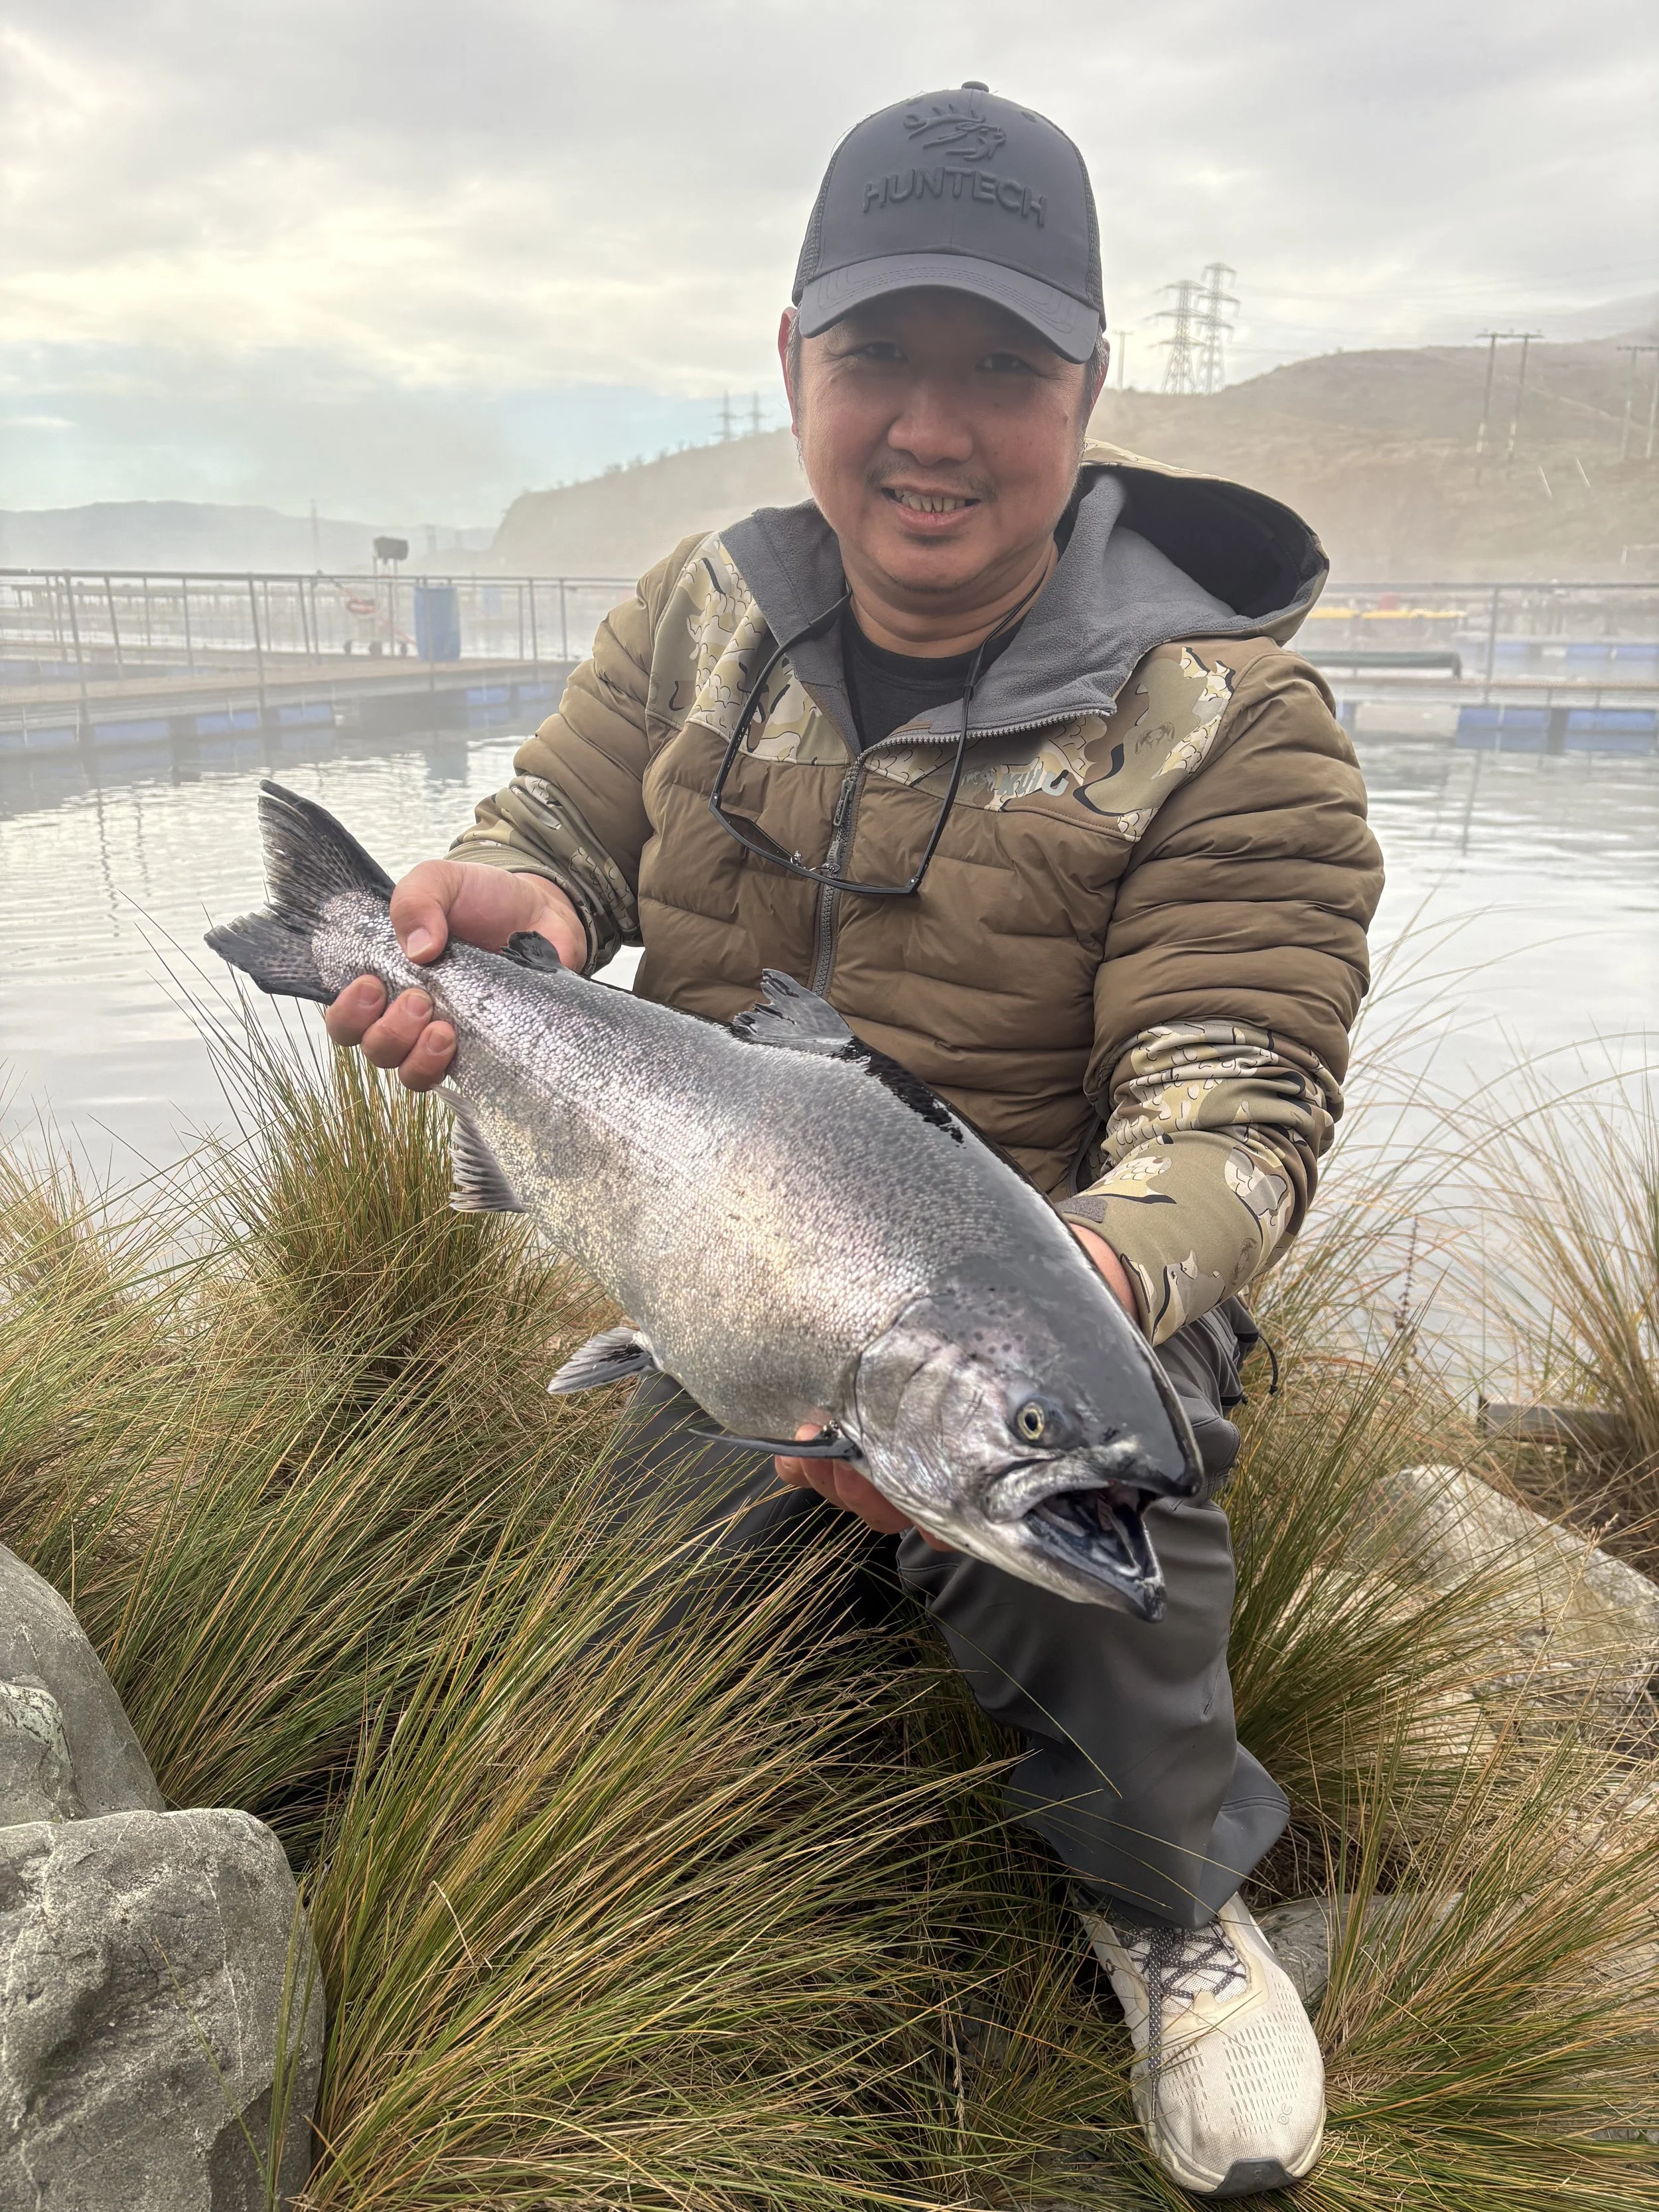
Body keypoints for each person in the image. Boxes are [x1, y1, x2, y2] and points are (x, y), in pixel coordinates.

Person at [325, 83, 1382, 2200]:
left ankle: (1165, 1897)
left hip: (1056, 1281)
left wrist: (1069, 1290)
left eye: (1001, 368)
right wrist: (514, 908)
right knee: (612, 1663)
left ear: (1087, 388)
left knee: (1089, 1508)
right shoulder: (697, 609)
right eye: (881, 355)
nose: (933, 423)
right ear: (791, 359)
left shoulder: (1231, 716)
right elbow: (559, 833)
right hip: (722, 1268)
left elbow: (1239, 1088)